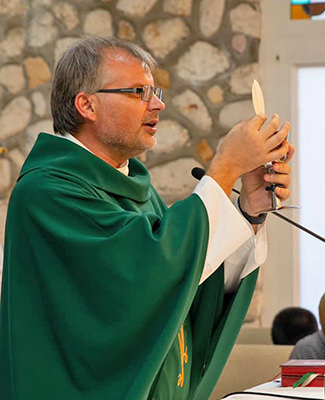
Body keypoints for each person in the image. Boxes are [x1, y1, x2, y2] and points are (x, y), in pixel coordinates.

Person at [0, 37, 294, 400]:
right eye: (139, 92)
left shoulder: (137, 189)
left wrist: (249, 211)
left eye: (154, 91)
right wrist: (226, 167)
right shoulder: (47, 194)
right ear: (86, 104)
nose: (158, 104)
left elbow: (181, 288)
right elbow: (139, 278)